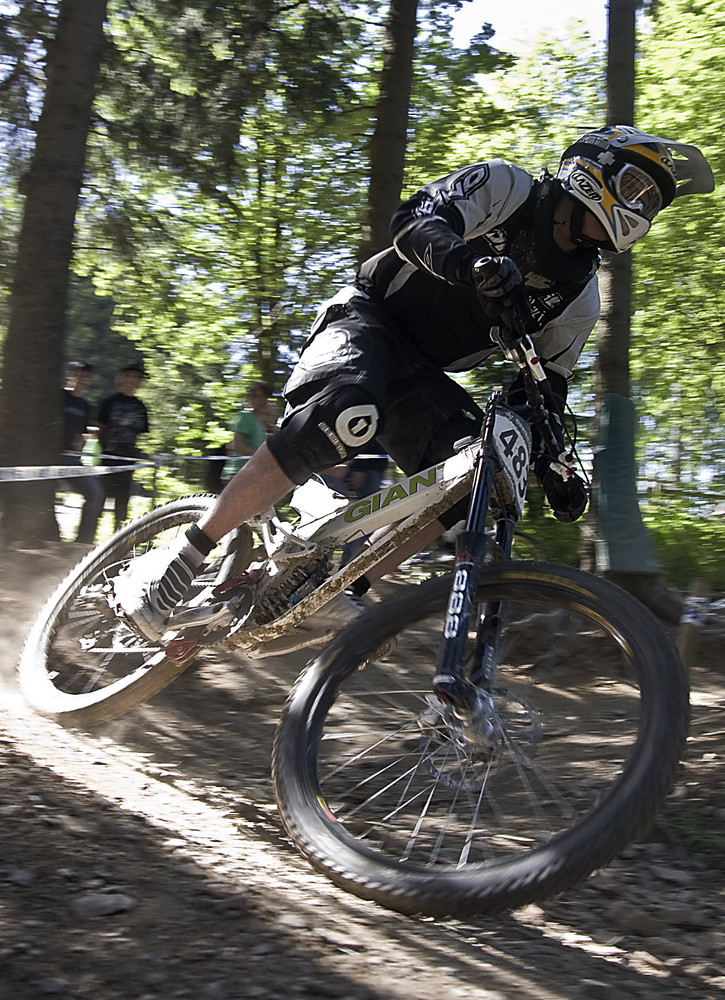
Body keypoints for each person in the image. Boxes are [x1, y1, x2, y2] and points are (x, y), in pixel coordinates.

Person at [118, 125, 714, 641]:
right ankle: (185, 556)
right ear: (595, 169)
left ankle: (340, 588)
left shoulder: (579, 298)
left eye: (651, 205)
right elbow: (413, 221)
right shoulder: (508, 188)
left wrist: (552, 455)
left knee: (481, 482)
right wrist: (470, 264)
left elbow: (544, 388)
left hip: (423, 375)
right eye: (637, 189)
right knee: (348, 414)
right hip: (368, 316)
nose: (642, 210)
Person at [98, 361, 150, 530]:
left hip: (128, 459)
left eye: (136, 377)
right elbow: (101, 429)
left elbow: (139, 434)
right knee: (100, 497)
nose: (132, 380)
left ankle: (117, 538)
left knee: (122, 502)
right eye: (129, 376)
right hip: (108, 457)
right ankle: (88, 539)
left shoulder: (141, 407)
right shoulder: (109, 402)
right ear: (122, 378)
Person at [59, 361, 106, 544]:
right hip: (48, 457)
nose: (81, 379)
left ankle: (83, 541)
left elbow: (81, 434)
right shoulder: (59, 396)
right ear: (70, 376)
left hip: (71, 459)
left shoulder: (84, 405)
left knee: (96, 493)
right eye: (78, 374)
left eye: (85, 376)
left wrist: (77, 454)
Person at [221, 380, 276, 484]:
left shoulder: (261, 423)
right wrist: (259, 457)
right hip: (237, 473)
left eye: (263, 396)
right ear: (251, 398)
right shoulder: (244, 416)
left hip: (253, 473)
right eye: (256, 396)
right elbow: (238, 445)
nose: (260, 400)